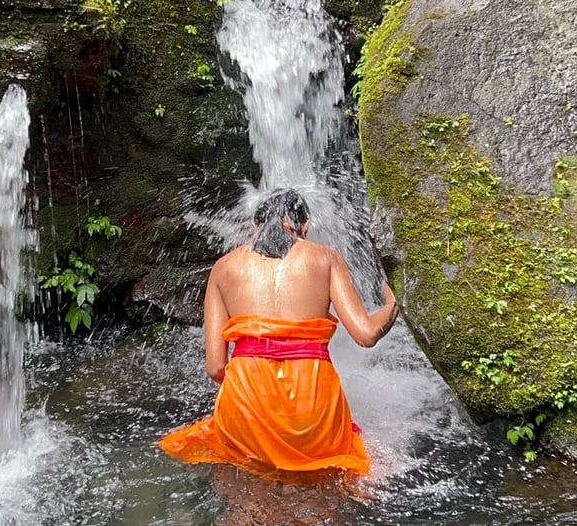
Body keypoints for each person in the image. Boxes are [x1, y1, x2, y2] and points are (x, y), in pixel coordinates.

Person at [158, 188, 399, 477]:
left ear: (255, 226)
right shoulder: (326, 258)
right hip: (313, 405)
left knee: (248, 495)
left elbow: (215, 366)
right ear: (305, 226)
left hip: (245, 402)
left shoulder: (224, 267)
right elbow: (367, 334)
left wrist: (252, 392)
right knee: (323, 491)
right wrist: (395, 300)